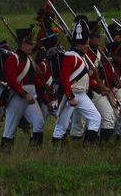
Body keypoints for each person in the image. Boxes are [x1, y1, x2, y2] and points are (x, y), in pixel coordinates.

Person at [51, 16, 101, 145]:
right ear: (79, 44)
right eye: (86, 44)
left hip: (82, 94)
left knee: (96, 117)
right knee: (62, 125)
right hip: (71, 94)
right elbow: (64, 78)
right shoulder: (70, 56)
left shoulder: (81, 57)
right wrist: (70, 96)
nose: (87, 46)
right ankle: (55, 151)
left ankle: (87, 147)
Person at [0, 27, 45, 149]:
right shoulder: (13, 58)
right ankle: (5, 156)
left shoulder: (29, 59)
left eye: (32, 44)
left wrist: (44, 88)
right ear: (22, 44)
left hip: (30, 97)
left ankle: (35, 152)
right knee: (10, 128)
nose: (31, 46)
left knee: (39, 123)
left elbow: (33, 78)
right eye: (29, 44)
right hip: (17, 96)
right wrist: (25, 95)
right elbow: (12, 81)